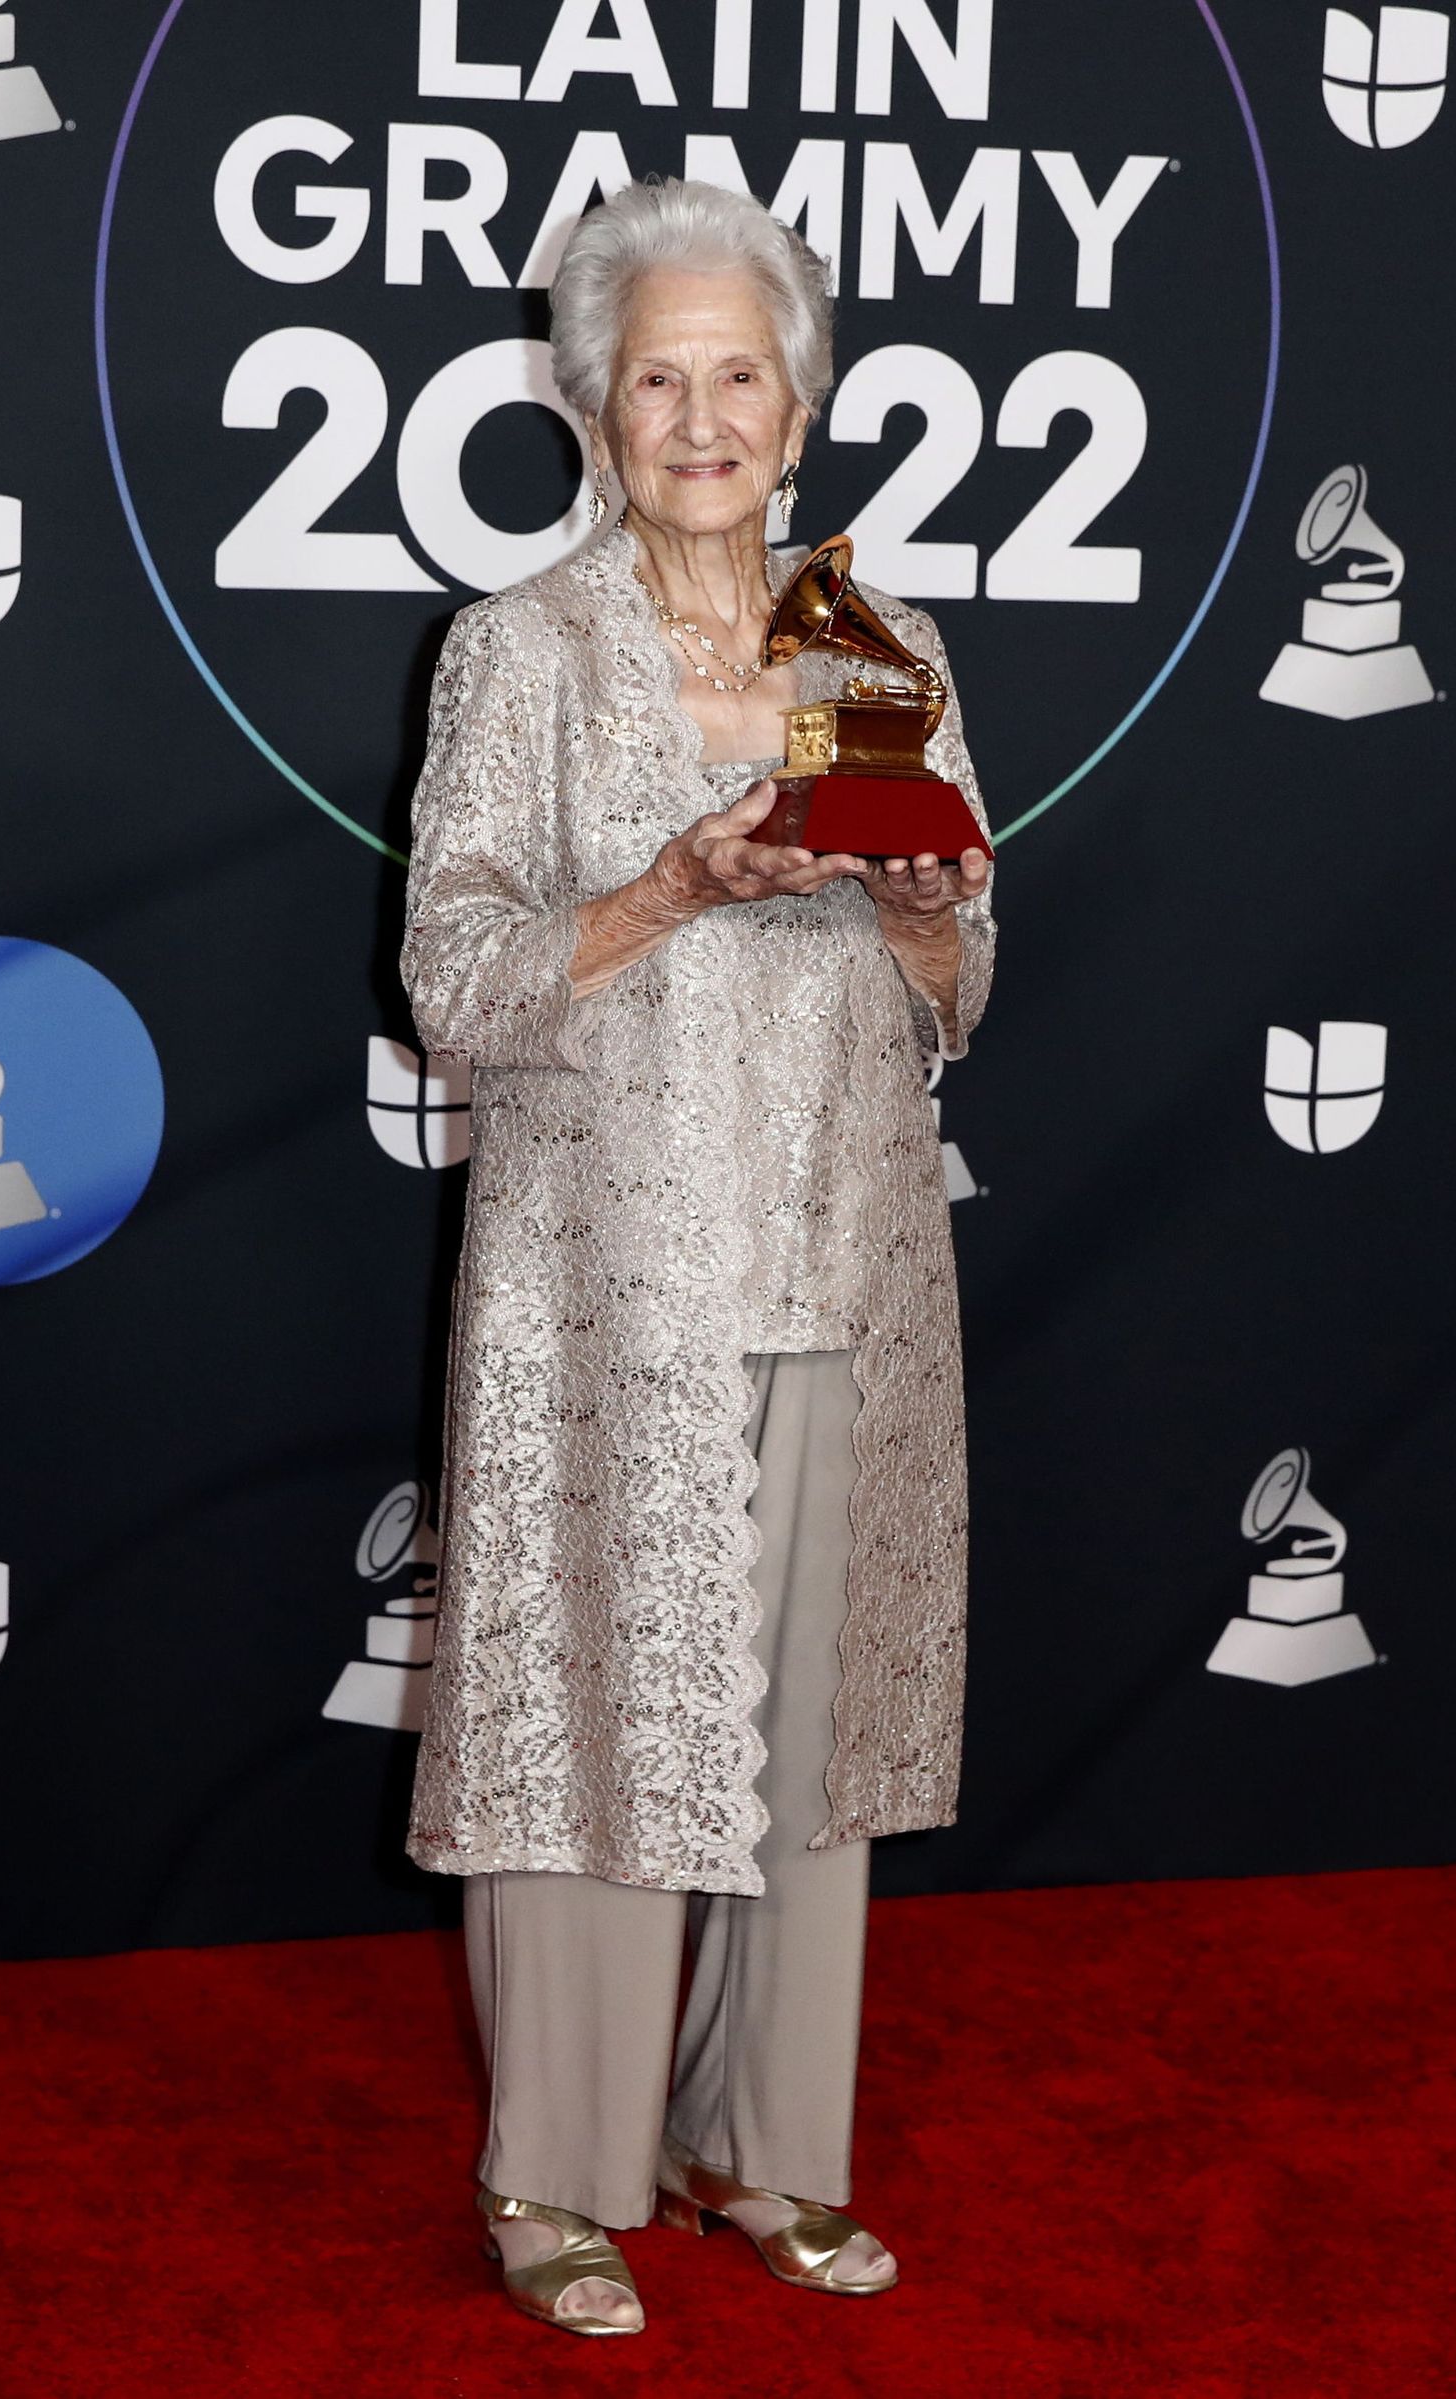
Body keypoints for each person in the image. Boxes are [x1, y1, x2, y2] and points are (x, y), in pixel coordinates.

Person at [400, 177, 996, 2340]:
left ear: (801, 397)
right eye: (656, 377)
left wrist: (931, 913)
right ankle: (555, 2177)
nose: (701, 413)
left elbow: (964, 972)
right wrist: (661, 887)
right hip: (609, 1272)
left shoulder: (877, 645)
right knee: (587, 1714)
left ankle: (765, 2145)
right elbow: (451, 973)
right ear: (589, 408)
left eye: (737, 371)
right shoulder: (520, 650)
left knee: (810, 1723)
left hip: (845, 1258)